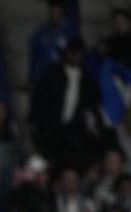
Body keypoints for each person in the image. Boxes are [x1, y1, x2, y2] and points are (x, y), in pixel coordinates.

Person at [30, 38, 102, 171]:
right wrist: (34, 121)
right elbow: (38, 98)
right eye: (73, 53)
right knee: (44, 164)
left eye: (79, 54)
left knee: (69, 164)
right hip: (50, 127)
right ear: (66, 53)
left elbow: (92, 103)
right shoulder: (52, 73)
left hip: (73, 130)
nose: (76, 57)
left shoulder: (87, 78)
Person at [28, 0, 78, 83]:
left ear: (62, 13)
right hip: (43, 80)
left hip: (63, 80)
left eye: (58, 11)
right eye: (52, 11)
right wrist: (32, 80)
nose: (55, 15)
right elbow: (34, 62)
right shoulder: (39, 35)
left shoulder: (70, 35)